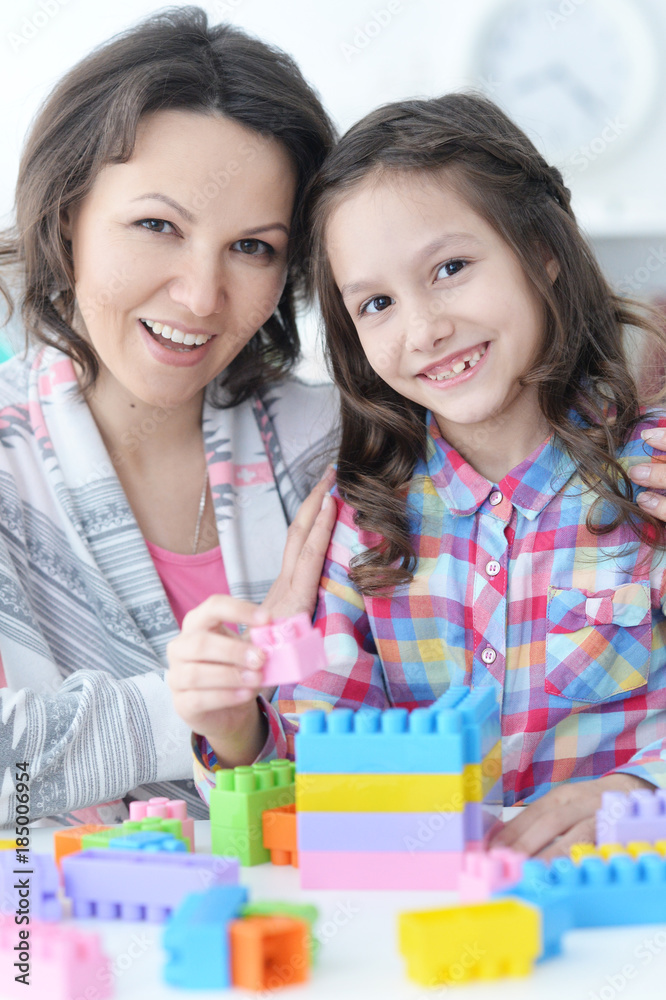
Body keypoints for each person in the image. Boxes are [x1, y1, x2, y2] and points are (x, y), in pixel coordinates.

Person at [182, 93, 666, 859]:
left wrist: (646, 796)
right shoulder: (362, 524)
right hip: (427, 937)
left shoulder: (651, 482)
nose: (423, 328)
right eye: (376, 302)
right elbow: (319, 775)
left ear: (540, 249)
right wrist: (237, 730)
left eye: (450, 268)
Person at [0, 7, 339, 827]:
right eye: (158, 226)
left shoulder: (340, 448)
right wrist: (195, 702)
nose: (200, 295)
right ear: (68, 215)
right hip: (51, 944)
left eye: (252, 247)